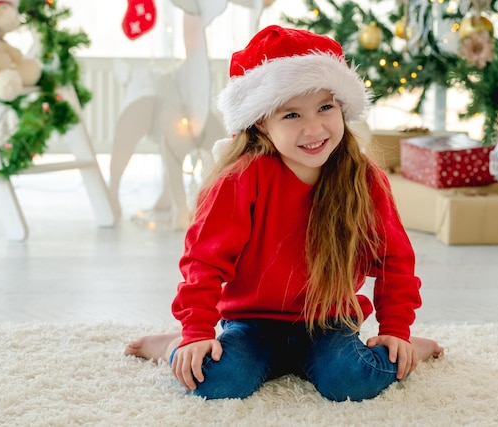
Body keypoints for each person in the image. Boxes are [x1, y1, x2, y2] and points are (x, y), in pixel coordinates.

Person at [124, 24, 443, 402]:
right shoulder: (240, 179)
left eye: (326, 107)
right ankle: (170, 346)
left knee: (352, 382)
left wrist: (396, 330)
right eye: (291, 115)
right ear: (261, 122)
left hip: (328, 322)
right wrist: (197, 333)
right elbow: (203, 262)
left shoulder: (364, 179)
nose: (314, 127)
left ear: (342, 107)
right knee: (217, 382)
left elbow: (394, 260)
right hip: (251, 324)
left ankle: (414, 351)